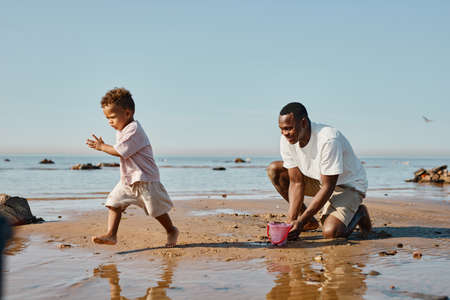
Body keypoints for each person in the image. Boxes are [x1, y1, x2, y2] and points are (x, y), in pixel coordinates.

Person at [86, 87, 178, 247]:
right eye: (107, 118)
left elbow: (120, 152)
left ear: (127, 113)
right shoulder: (122, 130)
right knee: (113, 203)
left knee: (156, 211)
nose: (110, 122)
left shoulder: (134, 130)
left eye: (113, 117)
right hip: (128, 181)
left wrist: (102, 147)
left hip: (145, 180)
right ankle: (111, 235)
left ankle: (171, 230)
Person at [267, 102, 371, 240]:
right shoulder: (286, 140)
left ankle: (359, 213)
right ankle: (308, 221)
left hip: (347, 186)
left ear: (303, 123)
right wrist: (291, 221)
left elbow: (329, 187)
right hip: (320, 181)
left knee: (330, 233)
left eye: (289, 128)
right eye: (281, 129)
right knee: (275, 170)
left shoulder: (328, 140)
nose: (285, 133)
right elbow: (296, 182)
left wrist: (301, 221)